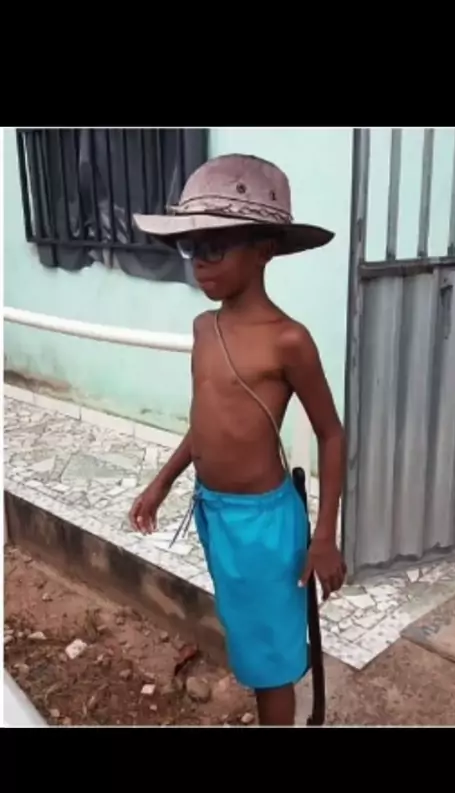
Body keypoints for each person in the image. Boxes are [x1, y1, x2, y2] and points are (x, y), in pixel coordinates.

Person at [129, 153, 346, 726]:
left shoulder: (288, 340)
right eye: (191, 246)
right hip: (214, 512)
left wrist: (325, 535)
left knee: (272, 662)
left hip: (265, 528)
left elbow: (331, 433)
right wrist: (162, 482)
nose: (200, 262)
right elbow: (205, 421)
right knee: (250, 635)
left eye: (215, 245)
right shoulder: (205, 328)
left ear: (264, 249)